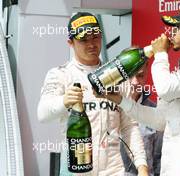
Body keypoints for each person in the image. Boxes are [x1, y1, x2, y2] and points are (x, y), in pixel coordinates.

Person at [97, 4, 180, 176]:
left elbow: (165, 89)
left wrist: (160, 54)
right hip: (174, 165)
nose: (172, 31)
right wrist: (120, 100)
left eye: (178, 26)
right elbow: (160, 120)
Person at [37, 12, 148, 176]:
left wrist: (142, 166)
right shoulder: (60, 74)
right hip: (75, 170)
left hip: (113, 170)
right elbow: (42, 114)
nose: (91, 44)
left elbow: (129, 126)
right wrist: (64, 101)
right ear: (71, 42)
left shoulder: (118, 76)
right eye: (83, 39)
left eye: (95, 37)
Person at [119, 62, 163, 176]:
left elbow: (158, 159)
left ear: (147, 74)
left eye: (140, 75)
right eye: (129, 75)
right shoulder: (107, 108)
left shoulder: (155, 112)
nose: (135, 82)